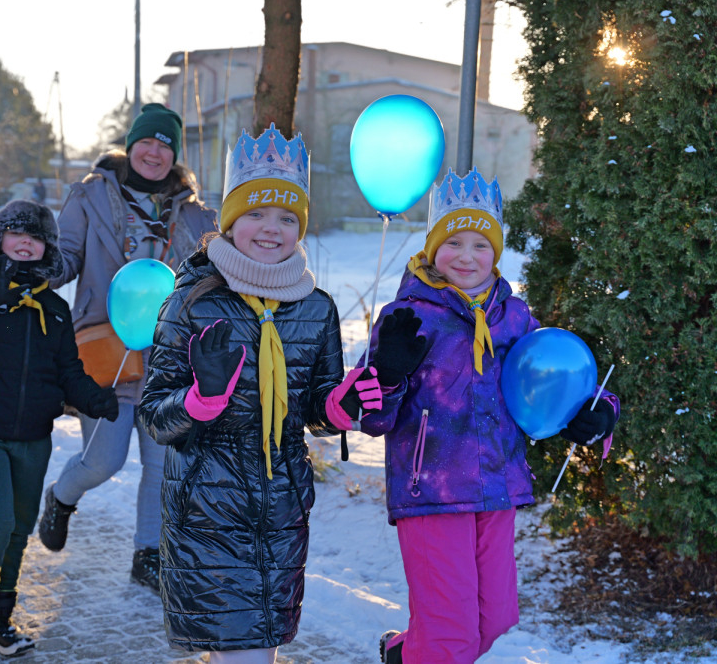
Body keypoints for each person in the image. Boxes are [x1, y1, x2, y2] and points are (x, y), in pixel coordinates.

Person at [349, 168, 621, 664]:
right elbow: (371, 417)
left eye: (481, 244)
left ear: (495, 252)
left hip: (496, 488)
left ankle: (402, 654)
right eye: (454, 243)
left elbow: (554, 377)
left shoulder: (514, 317)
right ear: (434, 249)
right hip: (430, 491)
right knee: (451, 637)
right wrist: (385, 373)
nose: (467, 257)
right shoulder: (408, 316)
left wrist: (596, 411)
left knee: (491, 620)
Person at [137, 125, 384, 662]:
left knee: (260, 650)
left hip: (282, 509)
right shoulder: (192, 303)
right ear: (229, 220)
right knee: (240, 654)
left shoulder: (316, 307)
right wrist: (200, 400)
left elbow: (317, 405)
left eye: (287, 218)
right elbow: (155, 415)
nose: (271, 229)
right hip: (208, 507)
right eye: (255, 214)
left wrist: (339, 406)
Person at [34, 103, 217, 593]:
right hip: (105, 349)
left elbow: (211, 276)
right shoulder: (90, 194)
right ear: (130, 144)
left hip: (170, 354)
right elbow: (67, 256)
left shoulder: (197, 213)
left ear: (175, 154)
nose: (154, 152)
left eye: (164, 145)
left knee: (161, 464)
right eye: (146, 142)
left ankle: (148, 554)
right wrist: (36, 267)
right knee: (104, 459)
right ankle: (62, 497)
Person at [0, 200, 119, 662]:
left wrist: (91, 395)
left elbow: (67, 370)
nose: (27, 242)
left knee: (17, 529)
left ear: (47, 249)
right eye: (17, 233)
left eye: (37, 237)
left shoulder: (53, 306)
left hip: (33, 434)